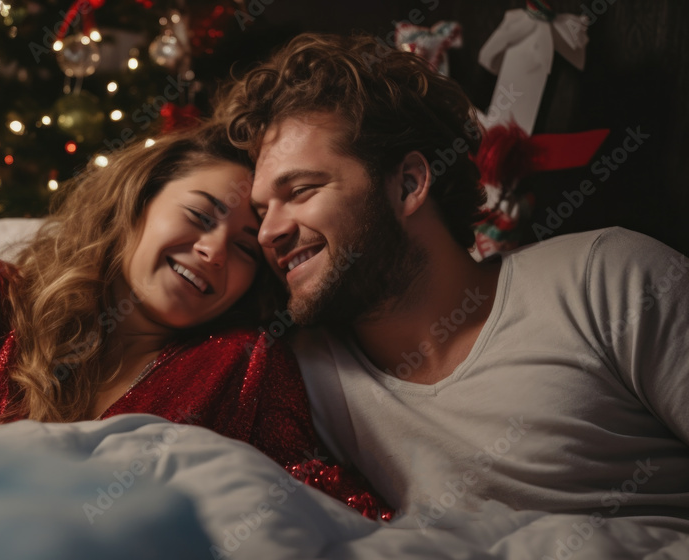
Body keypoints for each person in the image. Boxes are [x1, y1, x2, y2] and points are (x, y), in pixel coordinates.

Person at [218, 33, 689, 532]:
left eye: (302, 190)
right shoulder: (301, 377)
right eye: (263, 210)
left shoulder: (606, 278)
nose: (269, 231)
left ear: (409, 184)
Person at [0, 123, 390, 518]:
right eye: (200, 217)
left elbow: (311, 502)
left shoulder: (244, 361)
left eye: (246, 249)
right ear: (137, 202)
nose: (214, 251)